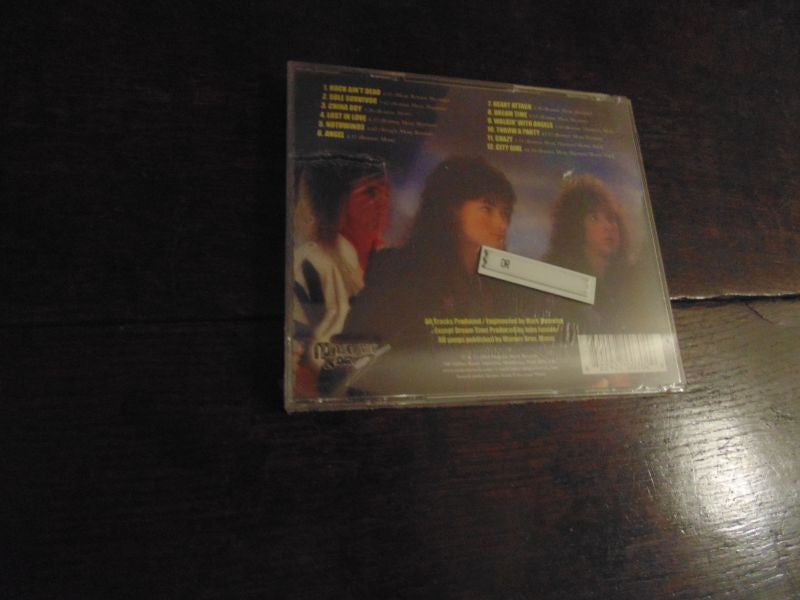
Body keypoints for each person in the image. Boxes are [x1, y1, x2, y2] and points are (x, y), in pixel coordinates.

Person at [291, 154, 389, 393]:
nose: (384, 203)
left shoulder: (390, 264)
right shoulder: (310, 266)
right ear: (337, 202)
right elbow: (298, 373)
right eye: (370, 192)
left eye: (386, 192)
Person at [542, 174, 661, 333]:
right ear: (575, 227)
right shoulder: (559, 284)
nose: (608, 227)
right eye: (594, 218)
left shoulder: (634, 279)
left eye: (611, 218)